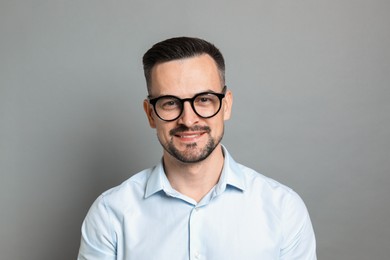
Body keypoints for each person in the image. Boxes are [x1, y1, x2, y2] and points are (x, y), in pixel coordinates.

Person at [77, 37, 317, 260]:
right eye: (170, 103)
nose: (188, 120)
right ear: (151, 114)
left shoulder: (283, 209)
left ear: (226, 105)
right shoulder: (110, 214)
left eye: (204, 99)